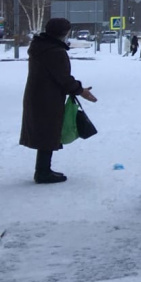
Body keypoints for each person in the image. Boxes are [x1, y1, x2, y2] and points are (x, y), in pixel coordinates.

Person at [20, 18, 98, 184]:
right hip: (49, 98)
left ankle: (43, 170)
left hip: (37, 95)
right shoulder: (55, 52)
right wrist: (81, 91)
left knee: (45, 131)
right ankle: (43, 172)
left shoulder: (39, 46)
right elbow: (64, 79)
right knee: (48, 131)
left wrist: (77, 88)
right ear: (64, 32)